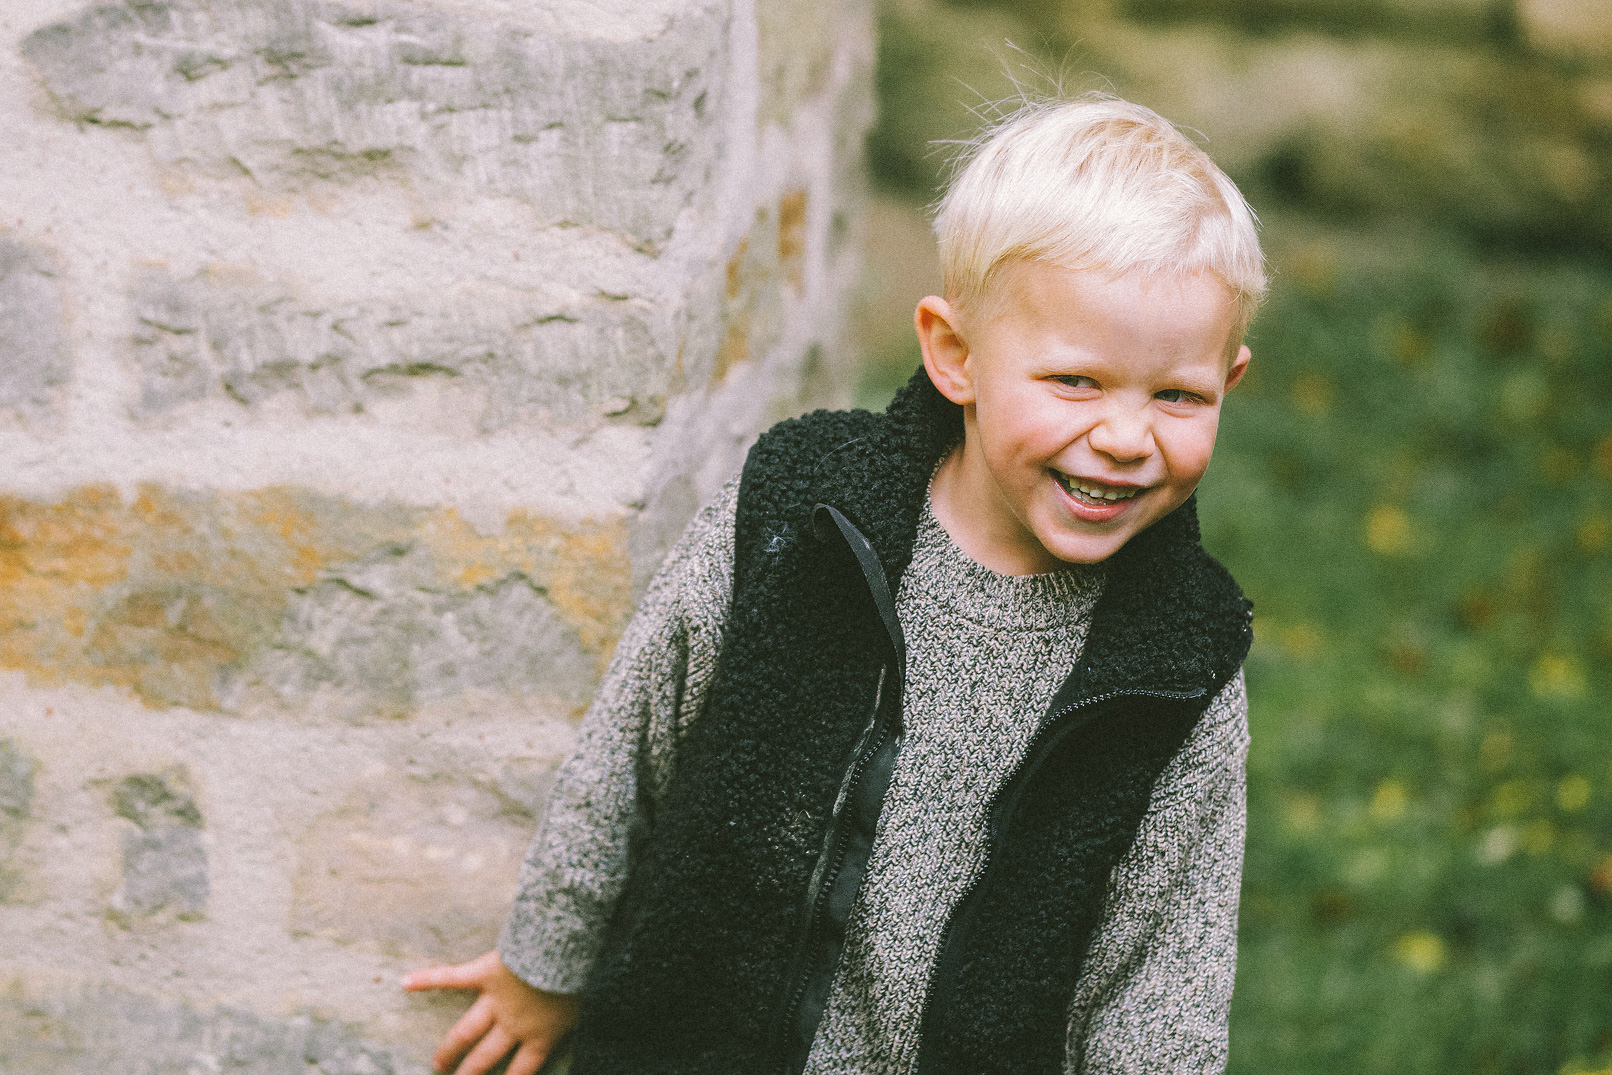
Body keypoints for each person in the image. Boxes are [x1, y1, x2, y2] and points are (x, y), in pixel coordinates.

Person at [404, 92, 1266, 1075]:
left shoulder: (1177, 660)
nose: (1125, 436)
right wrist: (549, 961)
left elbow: (1169, 967)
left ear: (1228, 383)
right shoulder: (803, 513)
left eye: (1177, 395)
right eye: (1077, 381)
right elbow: (633, 737)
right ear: (955, 355)